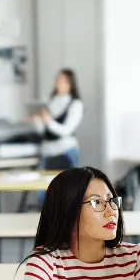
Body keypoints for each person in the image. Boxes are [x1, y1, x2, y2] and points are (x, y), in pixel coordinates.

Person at [31, 68, 84, 204]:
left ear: (70, 84)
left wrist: (48, 120)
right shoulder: (50, 101)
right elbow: (43, 130)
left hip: (65, 151)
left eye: (62, 81)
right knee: (43, 193)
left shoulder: (75, 104)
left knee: (66, 192)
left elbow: (65, 130)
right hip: (48, 151)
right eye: (57, 80)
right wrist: (37, 120)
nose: (58, 83)